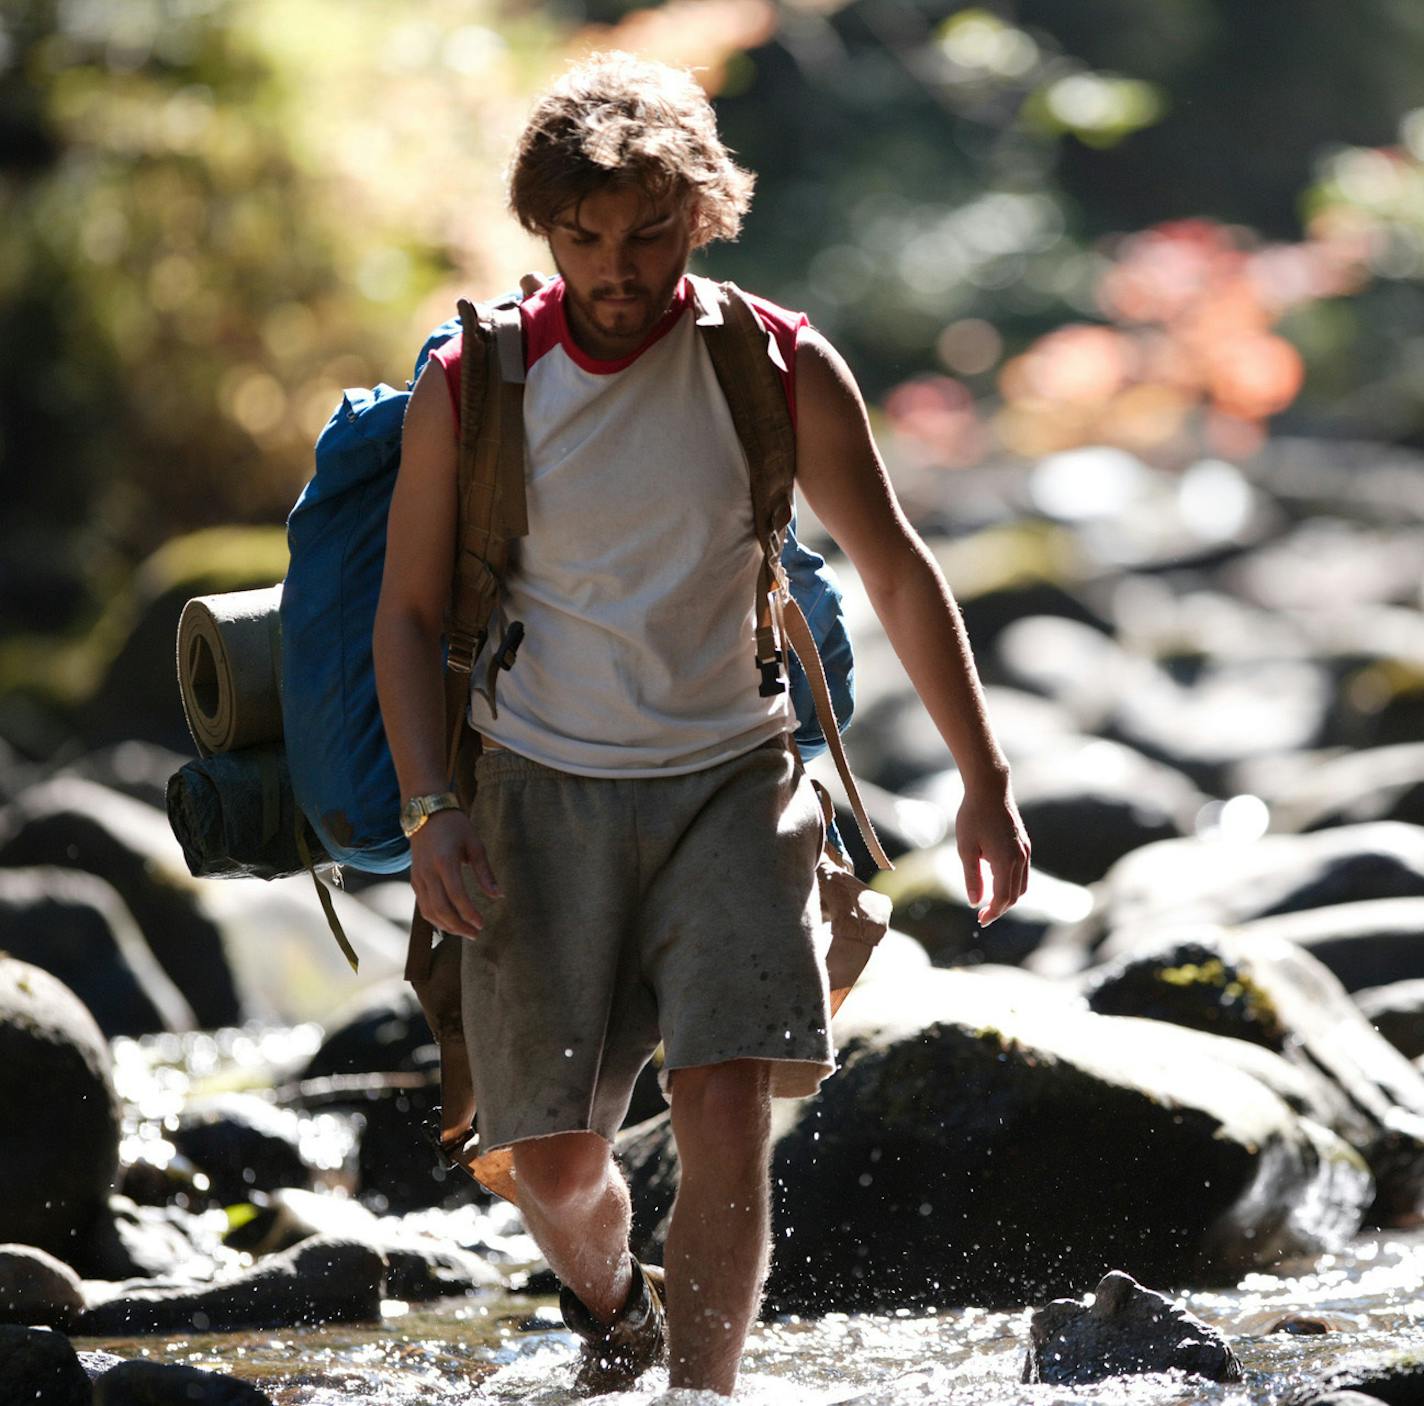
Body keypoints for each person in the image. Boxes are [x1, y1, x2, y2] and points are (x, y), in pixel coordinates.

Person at [372, 50, 1030, 1398]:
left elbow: (898, 567)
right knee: (553, 1164)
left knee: (729, 1100)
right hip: (535, 793)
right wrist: (432, 808)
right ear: (545, 229)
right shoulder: (475, 384)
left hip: (735, 777)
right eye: (585, 235)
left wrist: (984, 779)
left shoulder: (775, 365)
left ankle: (701, 1390)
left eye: (649, 233)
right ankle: (616, 1301)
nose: (616, 266)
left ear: (703, 215)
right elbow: (407, 612)